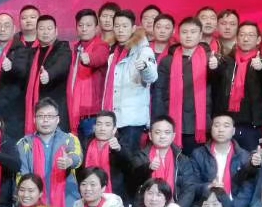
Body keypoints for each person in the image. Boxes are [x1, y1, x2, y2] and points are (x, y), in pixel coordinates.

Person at [152, 16, 218, 153]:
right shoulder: (167, 61)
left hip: (201, 122)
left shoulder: (211, 58)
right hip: (173, 120)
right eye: (184, 32)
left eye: (193, 32)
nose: (188, 36)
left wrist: (215, 68)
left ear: (200, 35)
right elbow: (159, 92)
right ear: (178, 34)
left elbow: (218, 88)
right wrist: (159, 120)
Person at [214, 21, 262, 151]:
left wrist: (261, 68)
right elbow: (214, 77)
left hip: (252, 124)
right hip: (226, 122)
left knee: (250, 159)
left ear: (258, 40)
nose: (246, 39)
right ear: (237, 38)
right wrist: (213, 67)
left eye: (250, 35)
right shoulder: (226, 61)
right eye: (242, 35)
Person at [101, 9, 158, 151]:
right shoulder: (113, 53)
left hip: (132, 120)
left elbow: (152, 77)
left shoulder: (143, 50)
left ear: (133, 28)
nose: (120, 30)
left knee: (130, 160)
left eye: (125, 26)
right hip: (114, 118)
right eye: (117, 26)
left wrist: (145, 67)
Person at [16, 98, 84, 207]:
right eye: (41, 116)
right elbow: (22, 175)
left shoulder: (69, 139)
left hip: (67, 203)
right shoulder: (24, 143)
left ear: (58, 120)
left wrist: (69, 161)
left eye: (50, 116)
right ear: (34, 119)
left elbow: (78, 158)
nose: (45, 120)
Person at [186, 112, 254, 207]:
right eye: (217, 125)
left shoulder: (244, 156)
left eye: (226, 126)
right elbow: (192, 185)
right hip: (206, 206)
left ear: (233, 131)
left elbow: (247, 188)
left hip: (234, 206)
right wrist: (208, 187)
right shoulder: (198, 154)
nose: (221, 129)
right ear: (211, 129)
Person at [128, 115, 196, 207]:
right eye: (158, 132)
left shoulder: (182, 159)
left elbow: (189, 189)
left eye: (167, 132)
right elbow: (132, 183)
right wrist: (148, 168)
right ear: (150, 136)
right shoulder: (140, 157)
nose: (162, 136)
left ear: (173, 136)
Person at [17, 14, 71, 134]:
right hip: (35, 110)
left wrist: (49, 74)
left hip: (54, 109)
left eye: (49, 28)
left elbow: (62, 65)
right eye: (41, 29)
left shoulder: (62, 47)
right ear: (36, 32)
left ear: (56, 31)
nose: (45, 32)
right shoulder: (31, 53)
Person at [66, 8, 110, 140]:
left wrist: (89, 59)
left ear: (96, 28)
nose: (84, 29)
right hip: (74, 113)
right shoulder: (74, 48)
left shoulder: (101, 46)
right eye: (81, 25)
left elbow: (99, 58)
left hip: (92, 115)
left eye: (88, 25)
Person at [77, 109, 136, 201]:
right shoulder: (85, 143)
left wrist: (118, 149)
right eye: (99, 124)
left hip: (114, 197)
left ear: (114, 129)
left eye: (107, 125)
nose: (102, 128)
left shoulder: (121, 143)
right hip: (86, 194)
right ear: (94, 127)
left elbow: (130, 164)